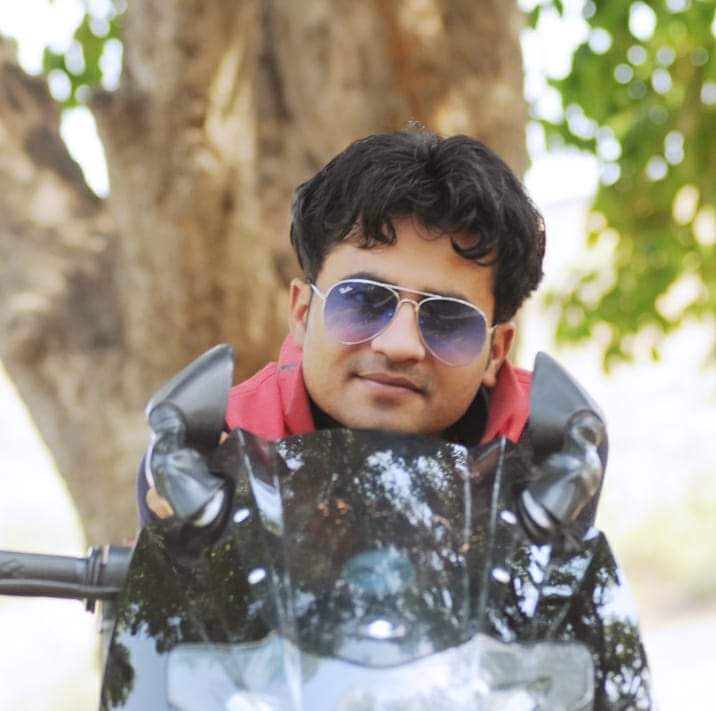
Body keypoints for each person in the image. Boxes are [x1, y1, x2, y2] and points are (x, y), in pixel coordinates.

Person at [138, 128, 558, 526]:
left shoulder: (552, 455)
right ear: (302, 314)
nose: (400, 344)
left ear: (495, 352)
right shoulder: (210, 446)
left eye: (448, 317)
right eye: (363, 300)